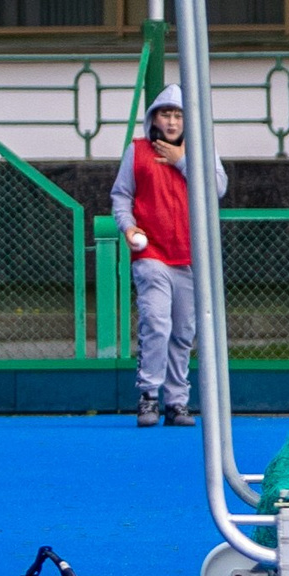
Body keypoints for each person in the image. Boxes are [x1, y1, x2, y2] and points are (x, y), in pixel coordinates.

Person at [109, 85, 225, 428]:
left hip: (191, 257)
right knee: (156, 322)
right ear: (154, 118)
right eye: (166, 114)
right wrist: (128, 228)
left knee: (183, 332)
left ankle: (177, 403)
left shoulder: (202, 149)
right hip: (151, 254)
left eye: (178, 115)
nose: (172, 122)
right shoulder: (137, 150)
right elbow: (121, 196)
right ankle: (149, 396)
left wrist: (182, 162)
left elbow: (217, 189)